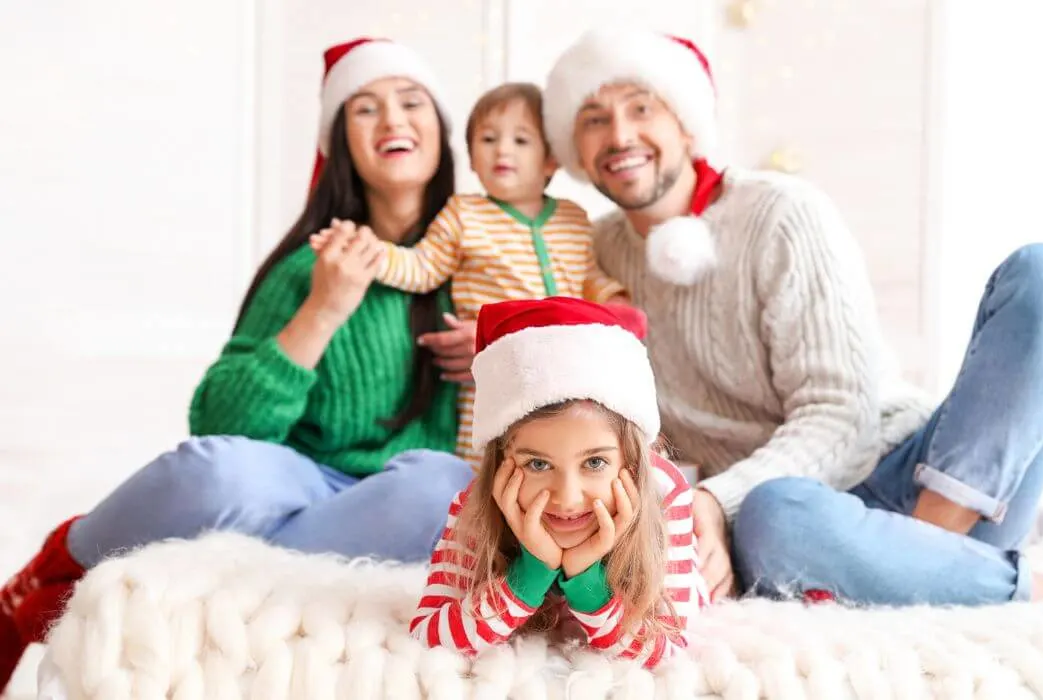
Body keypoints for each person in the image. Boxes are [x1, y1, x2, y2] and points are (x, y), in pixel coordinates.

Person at [540, 27, 1043, 606]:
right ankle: (959, 582)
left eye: (640, 108)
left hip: (924, 476)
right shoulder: (590, 256)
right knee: (777, 514)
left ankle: (939, 559)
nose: (620, 135)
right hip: (804, 523)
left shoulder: (779, 214)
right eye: (594, 118)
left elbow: (843, 418)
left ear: (685, 123)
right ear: (574, 145)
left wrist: (712, 503)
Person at [0, 37, 475, 688]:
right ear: (339, 145)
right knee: (225, 472)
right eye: (364, 109)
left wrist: (505, 353)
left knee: (442, 487)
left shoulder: (491, 265)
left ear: (443, 131)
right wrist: (324, 310)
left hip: (391, 506)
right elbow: (221, 421)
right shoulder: (311, 263)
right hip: (297, 481)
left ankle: (223, 573)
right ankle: (47, 579)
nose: (392, 120)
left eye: (411, 101)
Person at [310, 82, 630, 463]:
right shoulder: (463, 215)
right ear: (473, 160)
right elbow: (422, 267)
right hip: (487, 375)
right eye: (488, 139)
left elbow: (587, 277)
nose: (502, 150)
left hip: (563, 373)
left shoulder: (573, 219)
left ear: (550, 160)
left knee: (566, 451)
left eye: (521, 141)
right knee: (488, 459)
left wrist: (614, 300)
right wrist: (371, 252)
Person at [409, 297, 707, 668]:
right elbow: (429, 636)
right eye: (538, 464)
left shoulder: (664, 494)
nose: (567, 499)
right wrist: (529, 573)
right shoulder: (478, 503)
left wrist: (587, 581)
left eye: (595, 462)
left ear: (631, 462)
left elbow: (668, 652)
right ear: (502, 462)